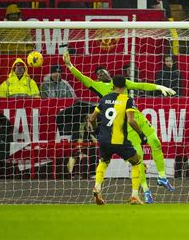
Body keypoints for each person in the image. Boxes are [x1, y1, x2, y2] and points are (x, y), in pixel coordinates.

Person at [63, 52, 176, 201]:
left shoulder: (121, 82)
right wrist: (70, 66)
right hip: (127, 124)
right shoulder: (100, 88)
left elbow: (140, 85)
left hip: (138, 117)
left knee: (155, 142)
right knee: (138, 158)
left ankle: (162, 176)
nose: (103, 73)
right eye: (99, 73)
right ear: (98, 78)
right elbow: (83, 79)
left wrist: (158, 86)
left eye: (104, 71)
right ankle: (145, 190)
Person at [88, 75, 149, 205]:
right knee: (137, 162)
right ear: (125, 86)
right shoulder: (127, 100)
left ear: (112, 86)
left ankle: (97, 186)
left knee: (103, 161)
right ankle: (134, 196)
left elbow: (92, 118)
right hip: (120, 140)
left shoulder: (104, 99)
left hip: (104, 139)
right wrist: (141, 135)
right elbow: (131, 120)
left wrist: (96, 130)